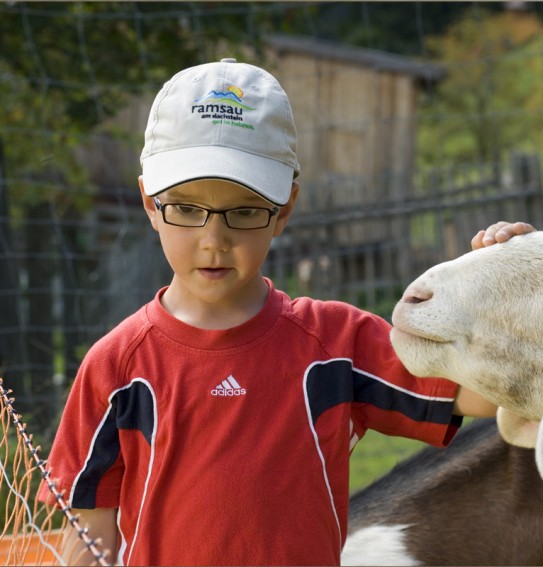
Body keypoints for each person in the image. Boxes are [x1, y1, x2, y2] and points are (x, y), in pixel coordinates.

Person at [38, 58, 536, 566]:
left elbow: (484, 392)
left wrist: (507, 291)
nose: (214, 240)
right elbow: (89, 534)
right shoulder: (116, 366)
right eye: (186, 209)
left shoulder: (337, 343)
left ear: (285, 209)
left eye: (245, 210)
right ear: (149, 203)